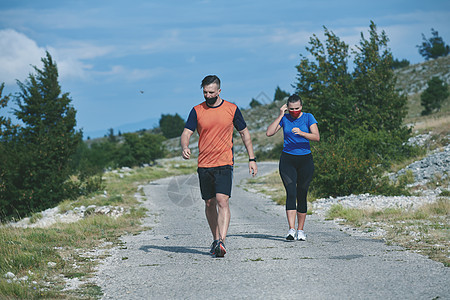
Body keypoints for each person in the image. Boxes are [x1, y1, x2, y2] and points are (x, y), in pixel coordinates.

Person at [181, 75, 258, 257]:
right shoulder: (196, 110)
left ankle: (222, 241)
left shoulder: (231, 109)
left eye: (211, 92)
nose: (208, 96)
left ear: (219, 91)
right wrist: (185, 146)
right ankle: (216, 239)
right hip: (204, 163)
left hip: (224, 162)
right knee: (210, 203)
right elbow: (186, 132)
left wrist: (251, 158)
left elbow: (244, 133)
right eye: (205, 92)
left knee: (222, 200)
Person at [266, 94, 320, 241]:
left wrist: (302, 133)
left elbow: (317, 137)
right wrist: (280, 115)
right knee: (291, 192)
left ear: (301, 107)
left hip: (305, 160)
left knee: (302, 193)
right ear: (287, 108)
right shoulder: (285, 118)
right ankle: (291, 230)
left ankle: (301, 230)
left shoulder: (308, 117)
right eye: (291, 109)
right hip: (288, 160)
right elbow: (269, 132)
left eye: (297, 108)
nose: (294, 111)